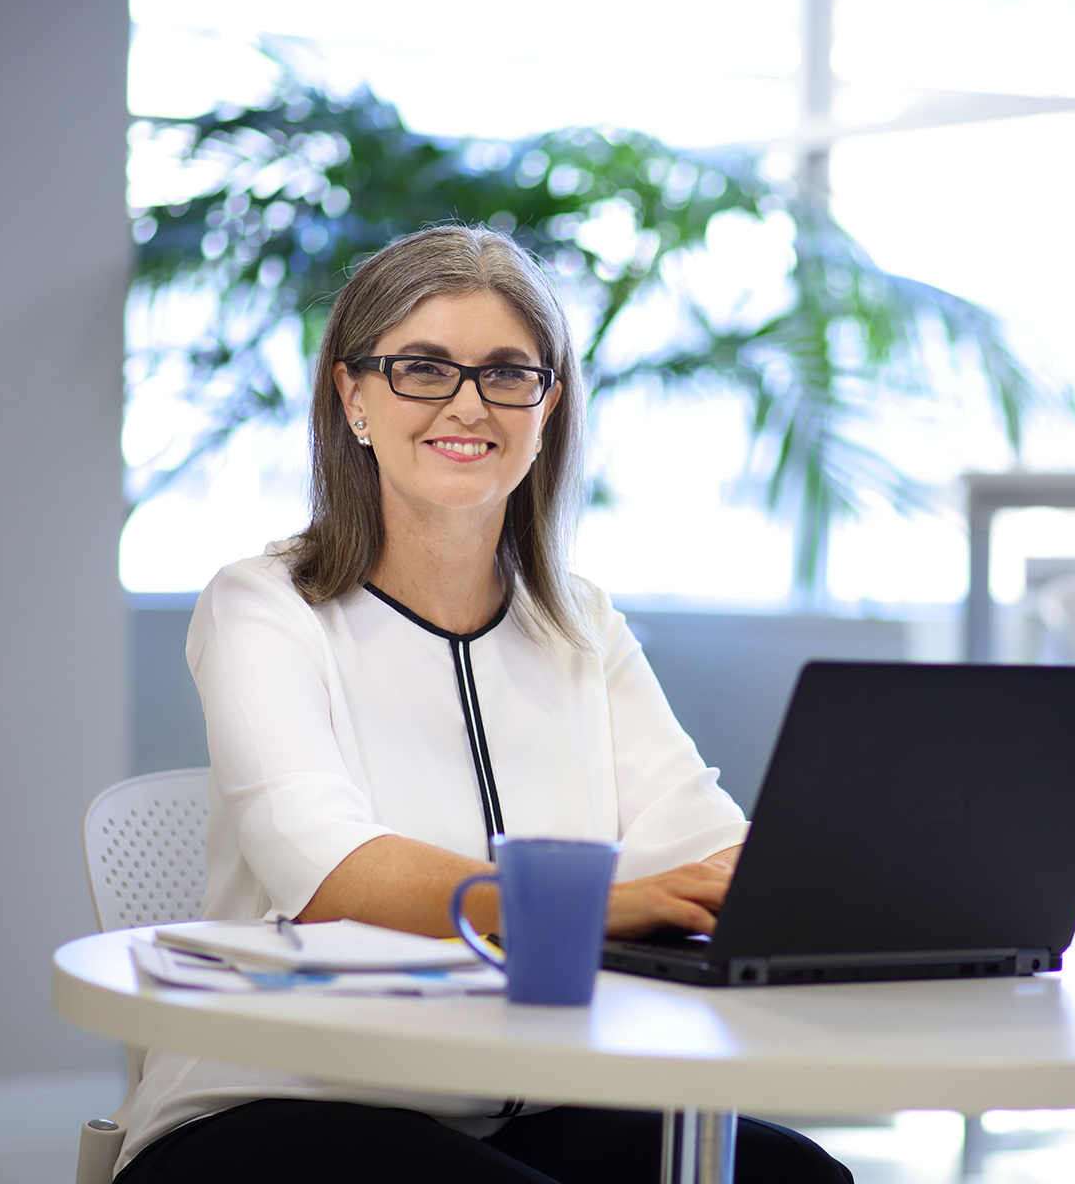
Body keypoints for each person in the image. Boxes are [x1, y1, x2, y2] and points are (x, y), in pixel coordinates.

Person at [115, 225, 852, 1184]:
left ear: (548, 407)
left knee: (799, 1180)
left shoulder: (579, 624)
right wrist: (613, 906)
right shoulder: (264, 605)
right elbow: (328, 866)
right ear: (354, 396)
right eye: (423, 368)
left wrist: (814, 872)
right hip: (279, 1098)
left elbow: (698, 839)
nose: (469, 403)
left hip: (531, 1099)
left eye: (509, 373)